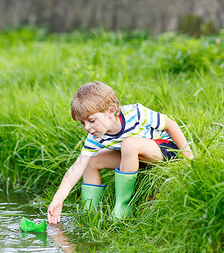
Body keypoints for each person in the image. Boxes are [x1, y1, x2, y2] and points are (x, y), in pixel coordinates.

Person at [47, 81, 193, 224]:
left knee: (129, 144)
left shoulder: (136, 113)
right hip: (134, 158)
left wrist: (189, 158)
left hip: (164, 151)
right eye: (82, 123)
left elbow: (171, 125)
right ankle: (89, 213)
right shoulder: (95, 135)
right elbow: (76, 167)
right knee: (91, 161)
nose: (87, 127)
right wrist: (58, 199)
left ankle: (123, 207)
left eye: (91, 120)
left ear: (111, 111)